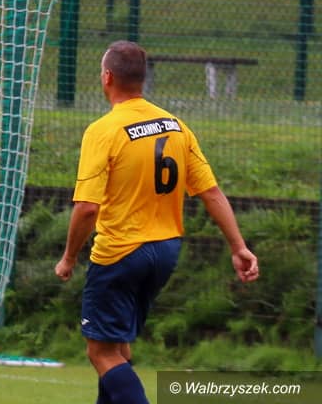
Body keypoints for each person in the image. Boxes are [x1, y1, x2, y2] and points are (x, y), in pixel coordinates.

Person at [54, 40, 259, 404]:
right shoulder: (176, 126)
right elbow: (211, 192)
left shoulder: (104, 130)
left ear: (107, 77)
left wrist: (69, 257)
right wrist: (239, 247)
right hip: (165, 251)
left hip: (120, 252)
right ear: (142, 78)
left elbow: (86, 208)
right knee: (118, 345)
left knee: (100, 352)